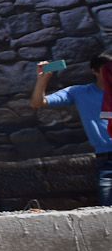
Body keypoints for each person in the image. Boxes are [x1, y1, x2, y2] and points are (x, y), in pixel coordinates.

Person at [30, 53, 112, 205]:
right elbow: (37, 103)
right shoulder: (79, 92)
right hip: (106, 160)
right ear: (94, 71)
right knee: (107, 210)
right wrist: (42, 80)